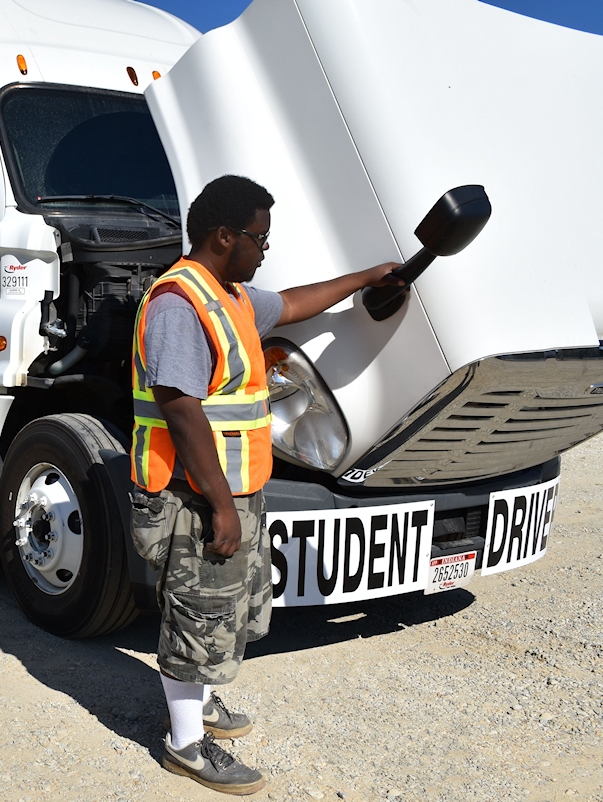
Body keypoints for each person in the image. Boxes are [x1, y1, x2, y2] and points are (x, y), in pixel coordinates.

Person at [130, 175, 402, 795]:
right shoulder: (180, 303)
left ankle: (196, 709)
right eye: (260, 238)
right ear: (224, 236)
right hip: (193, 495)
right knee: (196, 614)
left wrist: (363, 279)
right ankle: (184, 745)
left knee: (223, 607)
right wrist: (222, 508)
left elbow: (294, 303)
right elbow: (180, 407)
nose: (264, 249)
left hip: (226, 488)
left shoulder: (230, 295)